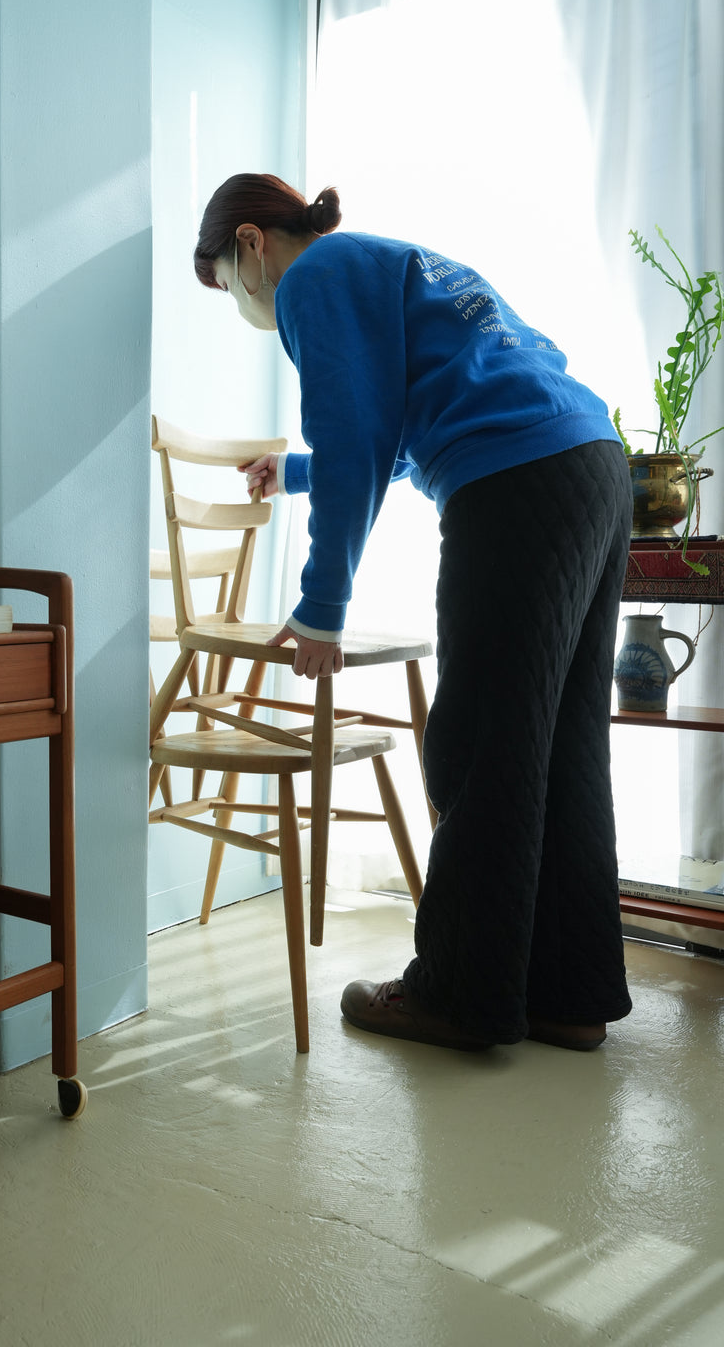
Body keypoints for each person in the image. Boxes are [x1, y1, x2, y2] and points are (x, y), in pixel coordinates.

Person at [193, 172, 633, 1054]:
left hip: (513, 482)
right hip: (590, 464)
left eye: (224, 287)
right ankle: (570, 993)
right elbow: (388, 435)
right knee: (561, 743)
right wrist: (301, 474)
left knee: (476, 741)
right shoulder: (385, 262)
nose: (240, 307)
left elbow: (358, 435)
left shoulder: (311, 280)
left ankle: (460, 995)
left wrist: (319, 612)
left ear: (250, 246)